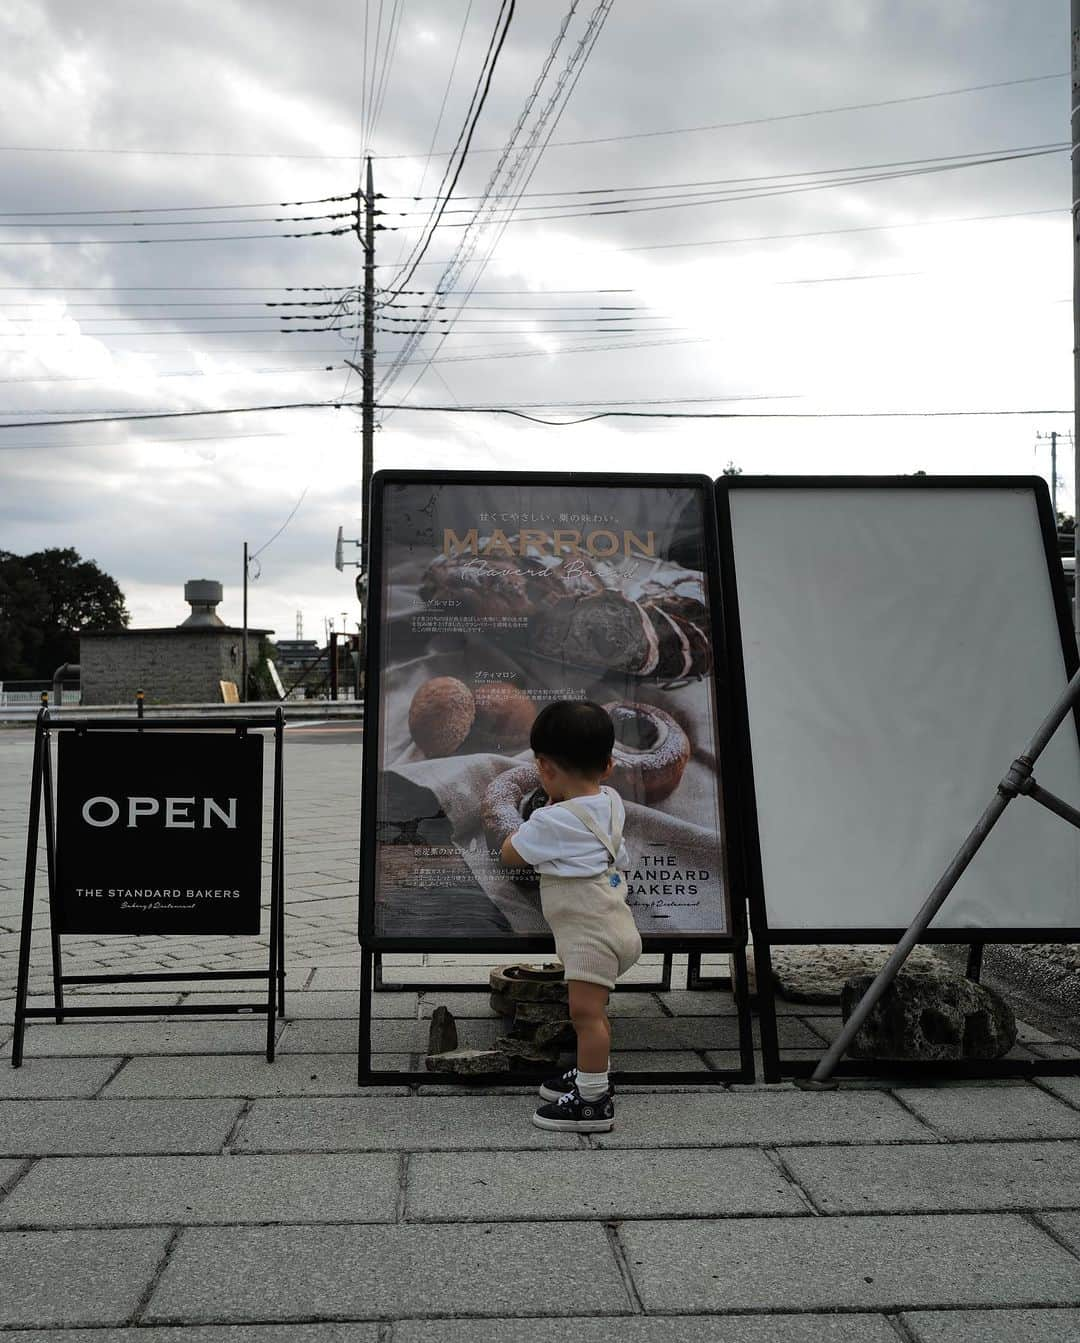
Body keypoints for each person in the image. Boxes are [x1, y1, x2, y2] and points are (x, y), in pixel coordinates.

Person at [500, 699, 643, 1131]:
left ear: (543, 767)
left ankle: (593, 1101)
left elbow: (511, 855)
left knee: (587, 1016)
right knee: (592, 1014)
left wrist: (537, 815)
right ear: (609, 765)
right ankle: (587, 1075)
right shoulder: (612, 802)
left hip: (590, 940)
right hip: (617, 925)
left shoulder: (550, 820)